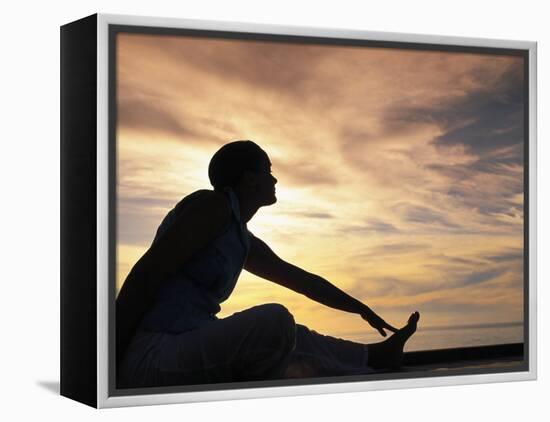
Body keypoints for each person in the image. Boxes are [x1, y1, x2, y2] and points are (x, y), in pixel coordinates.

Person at [116, 140, 420, 388]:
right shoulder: (211, 206)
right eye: (268, 171)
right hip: (154, 354)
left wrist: (360, 308)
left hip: (184, 345)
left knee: (294, 334)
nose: (274, 179)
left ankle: (374, 356)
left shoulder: (239, 236)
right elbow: (145, 275)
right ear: (249, 178)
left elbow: (302, 281)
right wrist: (107, 361)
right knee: (275, 323)